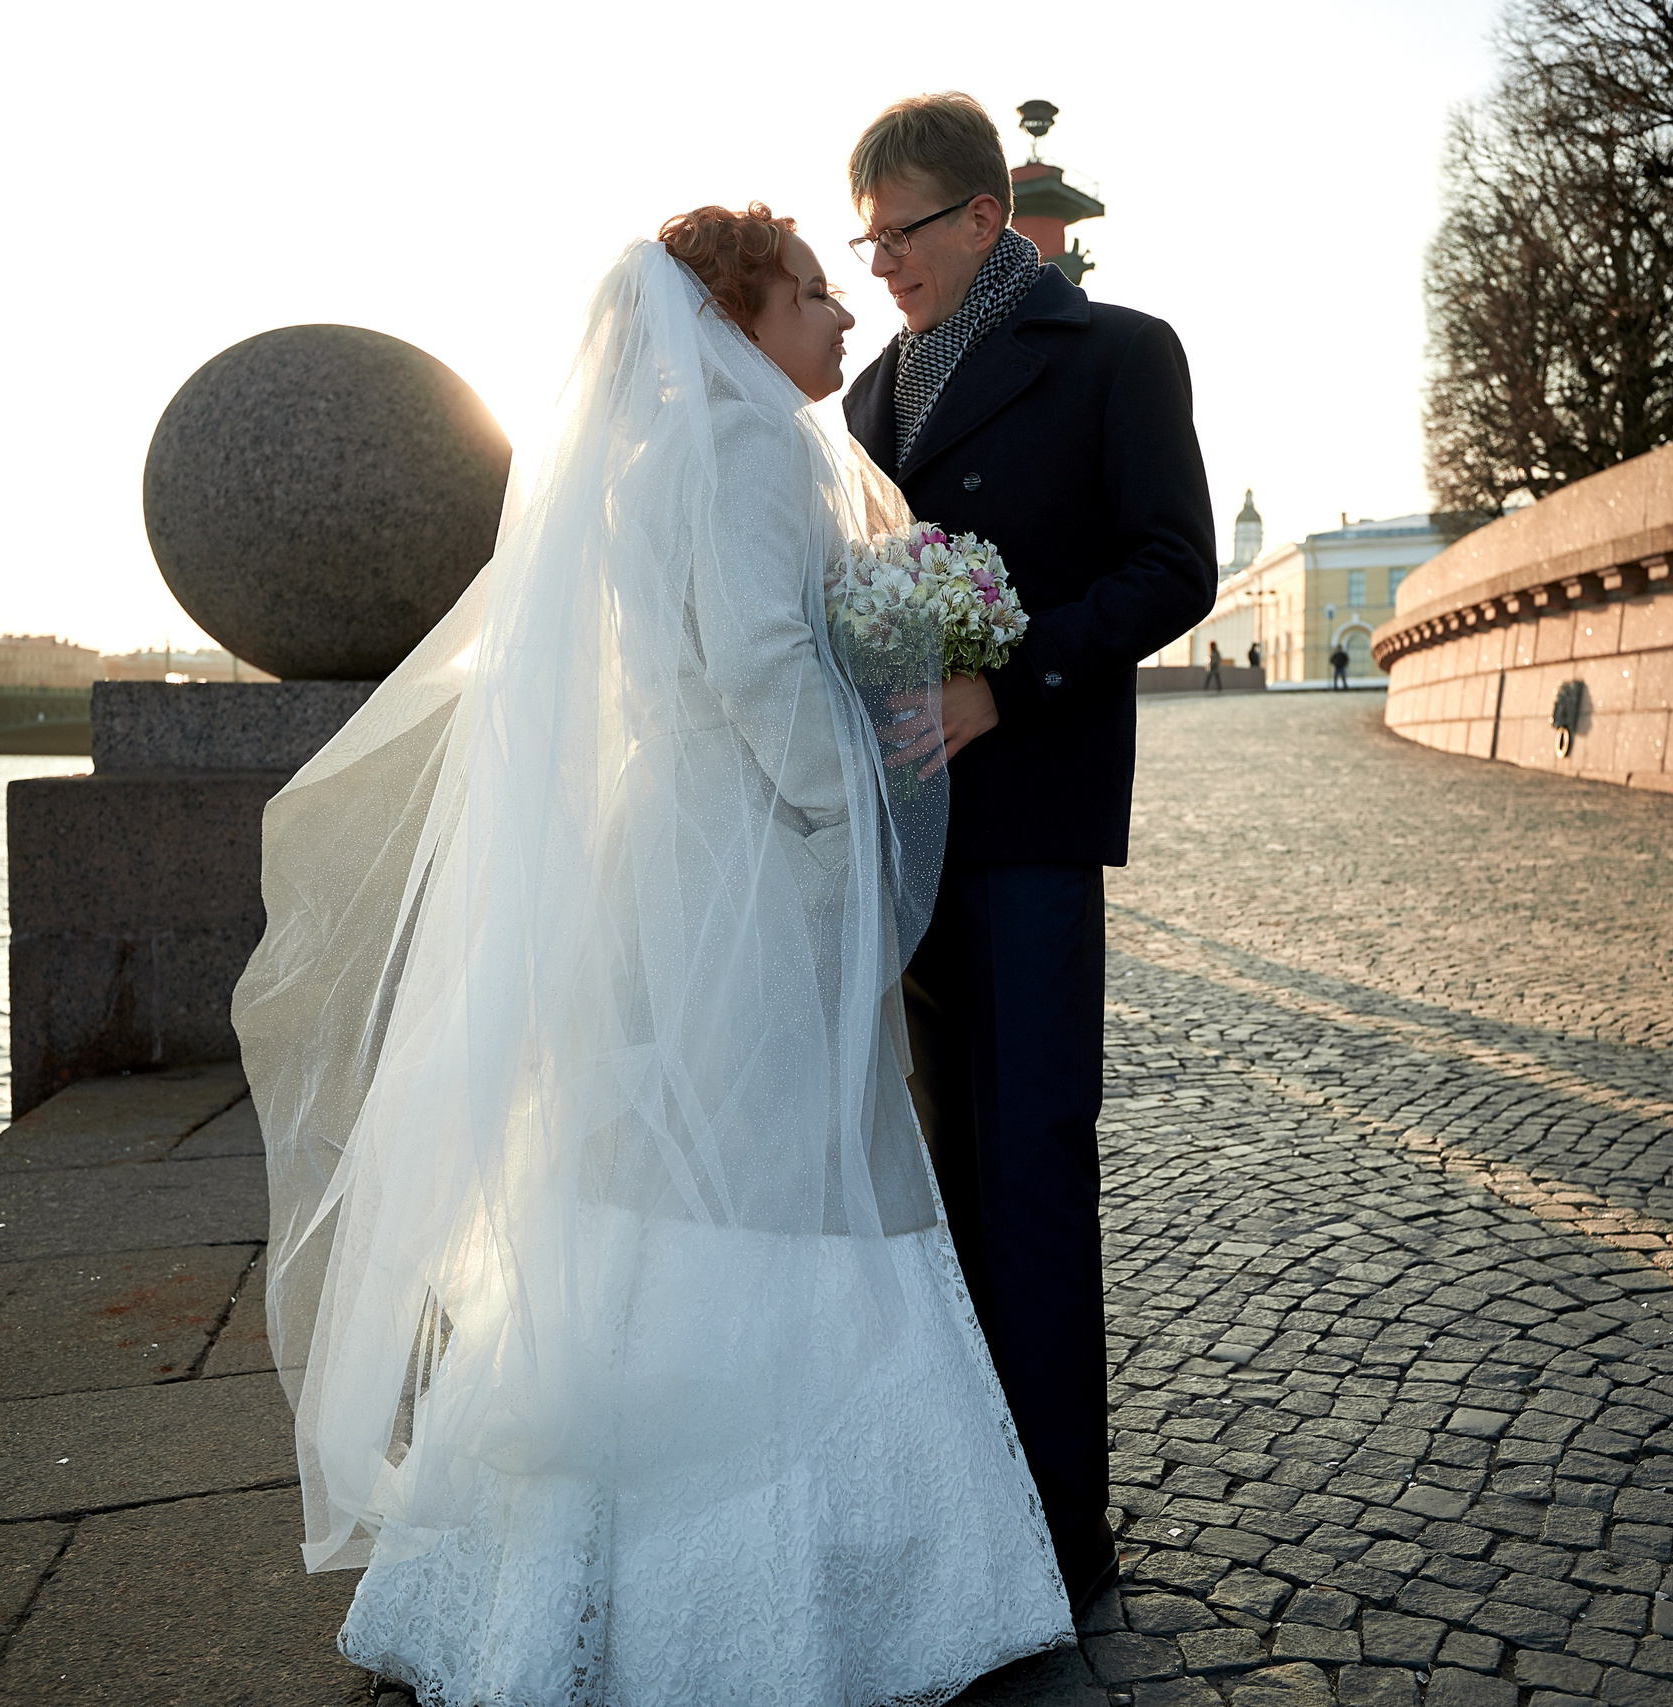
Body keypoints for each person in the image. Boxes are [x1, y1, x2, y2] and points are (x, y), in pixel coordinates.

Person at [237, 207, 1070, 1706]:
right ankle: (775, 1594)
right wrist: (846, 812)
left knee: (651, 1180)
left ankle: (562, 1576)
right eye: (812, 293)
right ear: (738, 325)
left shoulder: (644, 464)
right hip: (743, 852)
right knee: (772, 1174)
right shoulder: (753, 452)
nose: (842, 317)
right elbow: (757, 661)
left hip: (668, 845)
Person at [842, 92, 1215, 1615]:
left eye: (901, 233)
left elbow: (1174, 567)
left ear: (987, 217)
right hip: (910, 838)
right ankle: (972, 1512)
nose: (881, 264)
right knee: (948, 1181)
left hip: (1035, 816)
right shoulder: (871, 394)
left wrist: (1014, 677)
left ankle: (1061, 1536)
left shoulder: (1119, 353)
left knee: (1036, 1168)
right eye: (866, 241)